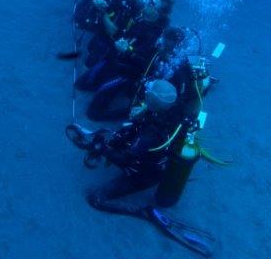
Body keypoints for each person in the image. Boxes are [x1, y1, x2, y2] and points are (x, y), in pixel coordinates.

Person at [76, 79, 215, 256]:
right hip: (163, 160)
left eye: (149, 93)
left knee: (97, 199)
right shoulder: (176, 110)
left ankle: (144, 213)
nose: (146, 93)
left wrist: (101, 148)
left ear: (155, 102)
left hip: (146, 174)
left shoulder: (151, 133)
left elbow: (126, 159)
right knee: (125, 133)